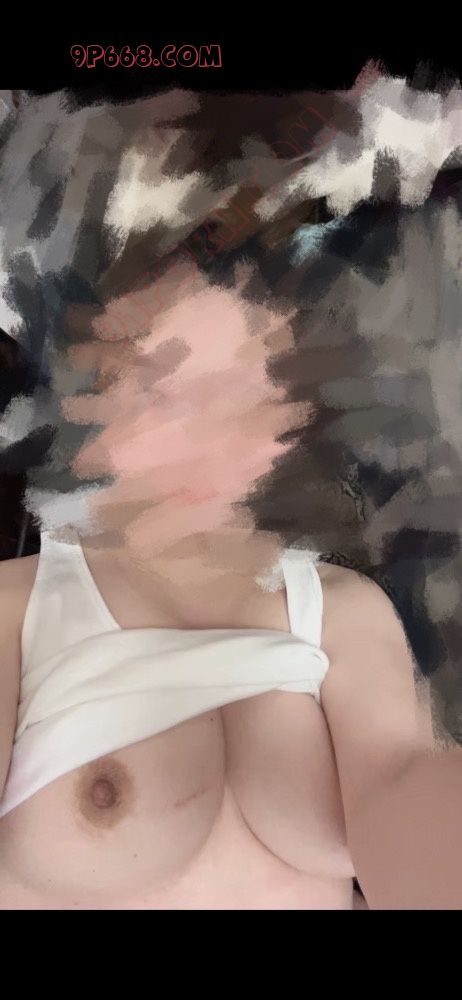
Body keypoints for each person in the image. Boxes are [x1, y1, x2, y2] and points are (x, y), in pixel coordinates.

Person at [0, 256, 458, 911]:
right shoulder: (16, 607)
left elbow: (399, 782)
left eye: (250, 392)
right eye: (163, 391)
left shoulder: (342, 609)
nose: (212, 435)